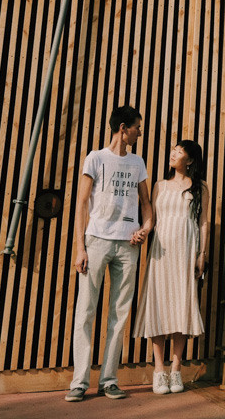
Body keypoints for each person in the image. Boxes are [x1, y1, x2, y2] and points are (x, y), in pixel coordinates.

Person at [66, 106, 154, 402]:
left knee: (119, 313)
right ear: (123, 128)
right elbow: (81, 203)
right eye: (137, 127)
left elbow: (146, 205)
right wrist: (80, 247)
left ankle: (109, 379)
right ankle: (79, 382)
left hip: (128, 246)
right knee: (85, 312)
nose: (140, 132)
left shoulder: (138, 162)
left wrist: (146, 228)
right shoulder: (96, 158)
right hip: (97, 242)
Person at [134, 139, 210, 395]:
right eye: (173, 150)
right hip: (161, 252)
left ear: (189, 160)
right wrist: (142, 232)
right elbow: (151, 219)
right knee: (159, 306)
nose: (173, 153)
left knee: (182, 307)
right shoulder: (159, 185)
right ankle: (159, 370)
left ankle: (176, 369)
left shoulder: (200, 188)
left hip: (186, 252)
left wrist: (202, 254)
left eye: (179, 151)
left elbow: (203, 223)